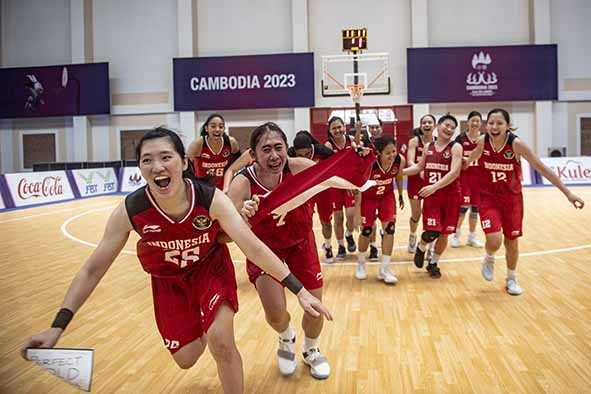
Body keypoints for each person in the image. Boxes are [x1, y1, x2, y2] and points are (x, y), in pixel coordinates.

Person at [21, 127, 332, 394]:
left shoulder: (210, 199)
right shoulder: (131, 210)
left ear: (184, 162)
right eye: (147, 160)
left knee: (221, 342)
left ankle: (224, 327)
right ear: (139, 168)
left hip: (211, 269)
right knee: (186, 358)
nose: (157, 166)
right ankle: (198, 323)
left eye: (165, 157)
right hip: (168, 281)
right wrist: (56, 327)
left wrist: (300, 291)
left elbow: (253, 246)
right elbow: (92, 269)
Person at [227, 122, 333, 380]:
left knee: (315, 308)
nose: (274, 155)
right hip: (265, 251)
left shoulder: (300, 168)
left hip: (301, 245)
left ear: (288, 149)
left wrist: (359, 159)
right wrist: (244, 216)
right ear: (253, 154)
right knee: (275, 314)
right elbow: (228, 233)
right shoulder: (242, 184)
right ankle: (286, 338)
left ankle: (311, 350)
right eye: (266, 150)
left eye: (279, 148)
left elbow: (338, 174)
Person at [465, 108, 585, 295]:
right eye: (491, 123)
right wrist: (463, 162)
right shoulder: (482, 141)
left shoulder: (516, 145)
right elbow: (471, 158)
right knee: (494, 240)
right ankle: (489, 257)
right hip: (488, 198)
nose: (494, 127)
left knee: (512, 241)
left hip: (512, 200)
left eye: (499, 123)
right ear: (486, 125)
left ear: (507, 126)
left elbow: (542, 168)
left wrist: (568, 193)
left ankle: (511, 278)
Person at [403, 114, 463, 278]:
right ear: (438, 126)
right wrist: (397, 174)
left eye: (452, 127)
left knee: (444, 234)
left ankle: (434, 262)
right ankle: (422, 246)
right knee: (432, 231)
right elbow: (418, 167)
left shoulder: (456, 147)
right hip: (433, 197)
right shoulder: (428, 146)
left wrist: (434, 187)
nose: (449, 129)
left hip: (451, 197)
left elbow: (454, 172)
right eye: (446, 125)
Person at [355, 135, 405, 283]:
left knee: (389, 229)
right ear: (379, 153)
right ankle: (361, 265)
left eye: (394, 151)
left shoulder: (398, 160)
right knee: (366, 230)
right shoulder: (370, 164)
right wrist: (357, 213)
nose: (392, 155)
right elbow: (359, 188)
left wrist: (401, 194)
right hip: (368, 198)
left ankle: (384, 269)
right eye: (388, 152)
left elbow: (399, 177)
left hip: (387, 197)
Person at [324, 116, 358, 259]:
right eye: (334, 128)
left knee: (350, 215)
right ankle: (341, 246)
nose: (337, 130)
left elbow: (356, 162)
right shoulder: (328, 146)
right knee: (338, 218)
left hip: (349, 183)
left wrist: (352, 182)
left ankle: (349, 234)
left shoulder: (351, 141)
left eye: (339, 127)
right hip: (335, 184)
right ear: (330, 131)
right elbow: (332, 169)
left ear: (344, 127)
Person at [450, 111, 484, 248]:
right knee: (463, 208)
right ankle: (456, 235)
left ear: (481, 123)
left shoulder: (484, 139)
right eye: (473, 120)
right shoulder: (460, 138)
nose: (475, 123)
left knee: (475, 209)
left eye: (478, 121)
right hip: (464, 178)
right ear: (468, 122)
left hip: (479, 179)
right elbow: (455, 156)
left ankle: (472, 237)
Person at [406, 115, 436, 255]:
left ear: (434, 126)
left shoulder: (438, 143)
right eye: (424, 122)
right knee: (416, 215)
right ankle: (412, 235)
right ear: (421, 125)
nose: (427, 124)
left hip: (432, 183)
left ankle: (430, 245)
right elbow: (410, 161)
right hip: (415, 182)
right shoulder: (414, 141)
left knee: (431, 215)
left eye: (430, 122)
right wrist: (420, 169)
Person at [187, 113, 241, 190]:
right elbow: (185, 166)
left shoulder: (231, 142)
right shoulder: (199, 143)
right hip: (203, 189)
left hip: (225, 188)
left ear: (224, 129)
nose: (217, 129)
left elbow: (240, 164)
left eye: (221, 127)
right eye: (213, 126)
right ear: (206, 128)